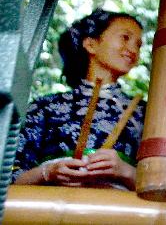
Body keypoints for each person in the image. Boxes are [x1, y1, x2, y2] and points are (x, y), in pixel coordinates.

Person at [12, 10, 145, 190]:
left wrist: (126, 171)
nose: (133, 50)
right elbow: (9, 175)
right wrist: (47, 172)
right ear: (91, 44)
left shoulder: (145, 112)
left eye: (138, 45)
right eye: (125, 38)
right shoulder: (45, 107)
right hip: (47, 212)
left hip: (119, 214)